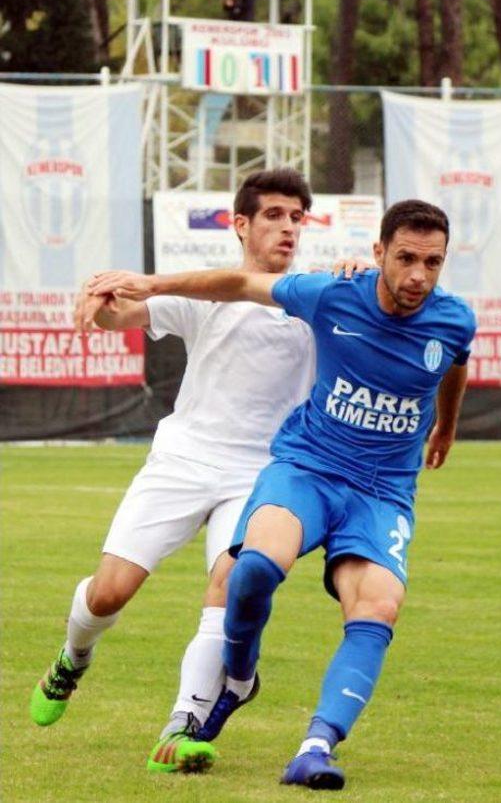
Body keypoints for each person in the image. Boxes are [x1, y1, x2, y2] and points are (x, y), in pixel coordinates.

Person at [87, 199, 477, 790]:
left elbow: (454, 364)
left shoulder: (455, 319)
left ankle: (315, 747)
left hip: (383, 492)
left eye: (432, 262)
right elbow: (242, 283)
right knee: (253, 570)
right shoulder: (332, 294)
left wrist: (446, 425)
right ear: (379, 254)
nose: (418, 276)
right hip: (309, 467)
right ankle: (240, 677)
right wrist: (152, 282)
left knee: (377, 608)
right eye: (405, 259)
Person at [30, 168, 320, 774]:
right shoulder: (206, 294)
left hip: (259, 474)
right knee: (110, 592)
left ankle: (183, 723)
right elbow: (123, 317)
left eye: (296, 216)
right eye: (273, 215)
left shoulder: (315, 302)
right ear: (241, 225)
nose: (288, 227)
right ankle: (72, 656)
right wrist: (99, 305)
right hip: (183, 461)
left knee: (231, 584)